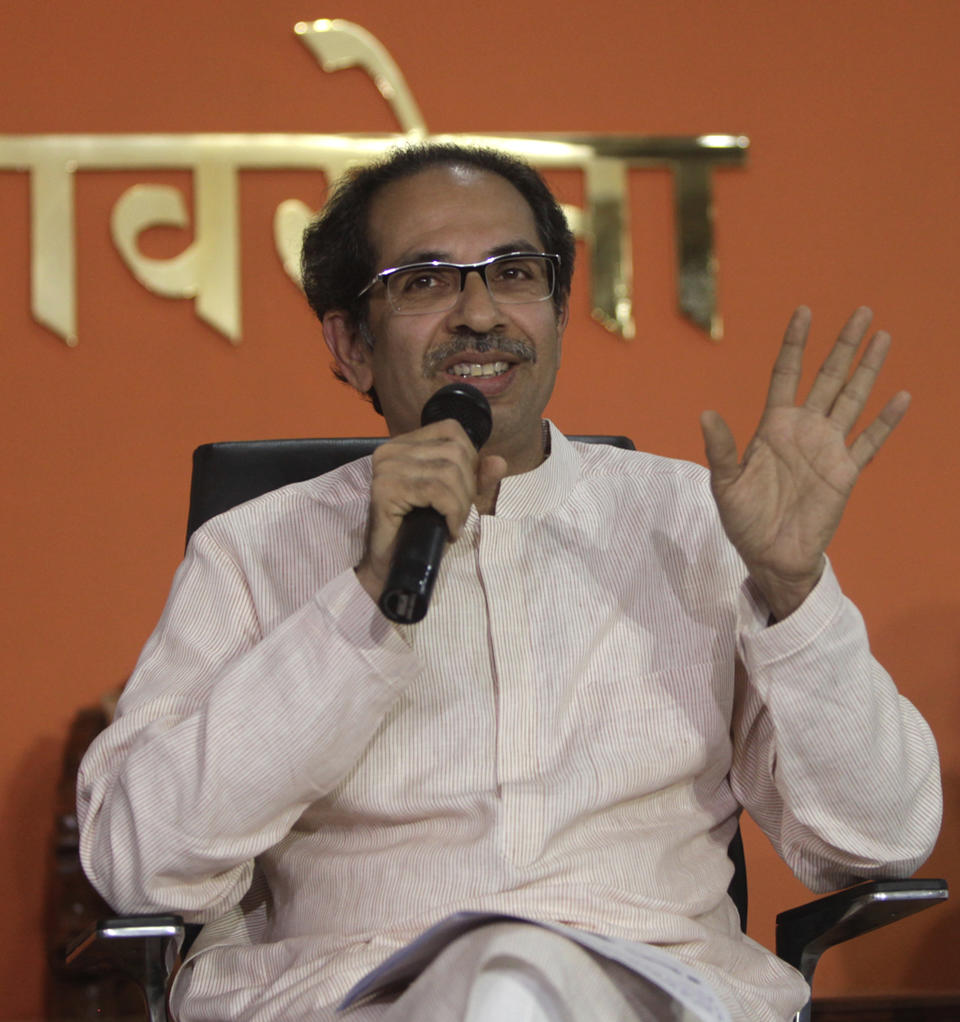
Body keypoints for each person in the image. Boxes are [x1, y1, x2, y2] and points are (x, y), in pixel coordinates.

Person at [77, 144, 941, 1022]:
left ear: (559, 312)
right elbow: (140, 858)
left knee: (517, 987)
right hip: (355, 997)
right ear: (350, 344)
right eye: (424, 282)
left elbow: (879, 841)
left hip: (651, 993)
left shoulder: (699, 524)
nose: (480, 313)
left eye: (515, 274)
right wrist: (362, 595)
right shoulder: (254, 553)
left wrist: (795, 594)